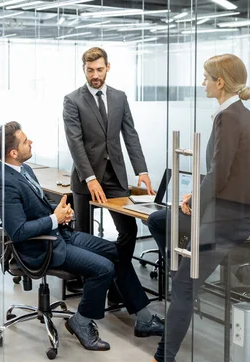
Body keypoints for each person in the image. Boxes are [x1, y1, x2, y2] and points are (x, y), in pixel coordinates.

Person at [131, 54, 250, 362]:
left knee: (181, 289)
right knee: (160, 220)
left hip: (228, 217)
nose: (202, 82)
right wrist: (197, 197)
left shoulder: (230, 117)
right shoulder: (233, 113)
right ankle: (180, 271)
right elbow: (224, 170)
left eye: (206, 77)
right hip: (221, 208)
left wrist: (203, 198)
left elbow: (221, 173)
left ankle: (163, 361)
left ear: (220, 82)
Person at [0, 121, 164, 351]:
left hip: (60, 234)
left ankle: (144, 319)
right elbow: (19, 231)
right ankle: (80, 322)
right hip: (41, 247)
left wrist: (60, 211)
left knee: (118, 253)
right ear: (13, 153)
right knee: (104, 268)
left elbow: (35, 207)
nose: (30, 142)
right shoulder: (1, 182)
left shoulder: (25, 169)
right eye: (24, 141)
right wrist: (54, 218)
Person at [63, 47, 153, 302]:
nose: (95, 75)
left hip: (115, 176)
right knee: (83, 233)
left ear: (108, 68)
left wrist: (142, 171)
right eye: (90, 70)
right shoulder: (73, 100)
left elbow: (130, 135)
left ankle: (119, 278)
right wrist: (90, 178)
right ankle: (88, 283)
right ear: (84, 69)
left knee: (128, 228)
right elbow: (75, 143)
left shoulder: (119, 97)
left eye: (99, 69)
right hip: (85, 178)